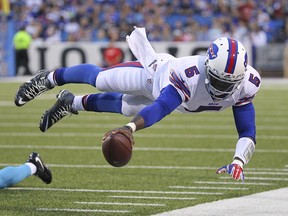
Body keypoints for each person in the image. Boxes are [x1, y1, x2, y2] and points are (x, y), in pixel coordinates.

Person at [14, 27, 261, 182]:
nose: (222, 88)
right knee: (101, 79)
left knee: (125, 107)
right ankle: (47, 79)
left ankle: (71, 103)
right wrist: (130, 129)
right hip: (153, 76)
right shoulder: (190, 74)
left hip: (176, 99)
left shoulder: (248, 83)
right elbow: (163, 106)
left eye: (228, 83)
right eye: (218, 80)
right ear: (208, 66)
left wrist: (238, 160)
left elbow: (247, 130)